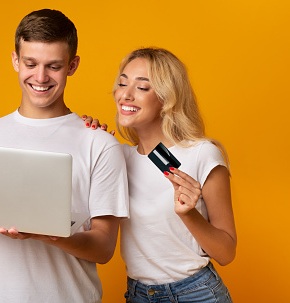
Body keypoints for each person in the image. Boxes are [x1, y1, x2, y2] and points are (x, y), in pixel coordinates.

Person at [0, 9, 129, 303]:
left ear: (72, 65)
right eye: (30, 63)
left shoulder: (100, 143)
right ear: (16, 60)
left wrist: (46, 233)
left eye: (54, 66)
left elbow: (104, 247)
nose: (40, 77)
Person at [84, 47, 236, 302]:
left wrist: (189, 214)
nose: (126, 95)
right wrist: (88, 142)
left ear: (167, 98)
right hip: (139, 295)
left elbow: (226, 253)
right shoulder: (116, 157)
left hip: (197, 294)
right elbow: (87, 224)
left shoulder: (202, 154)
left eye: (143, 88)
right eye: (122, 84)